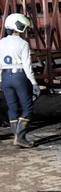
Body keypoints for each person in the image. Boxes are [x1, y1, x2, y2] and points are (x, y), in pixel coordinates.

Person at [0, 13, 40, 147]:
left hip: (5, 77)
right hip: (19, 77)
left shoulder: (1, 42)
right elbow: (27, 66)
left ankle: (16, 136)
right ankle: (20, 138)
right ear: (20, 26)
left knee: (12, 107)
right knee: (27, 107)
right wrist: (34, 83)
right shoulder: (23, 43)